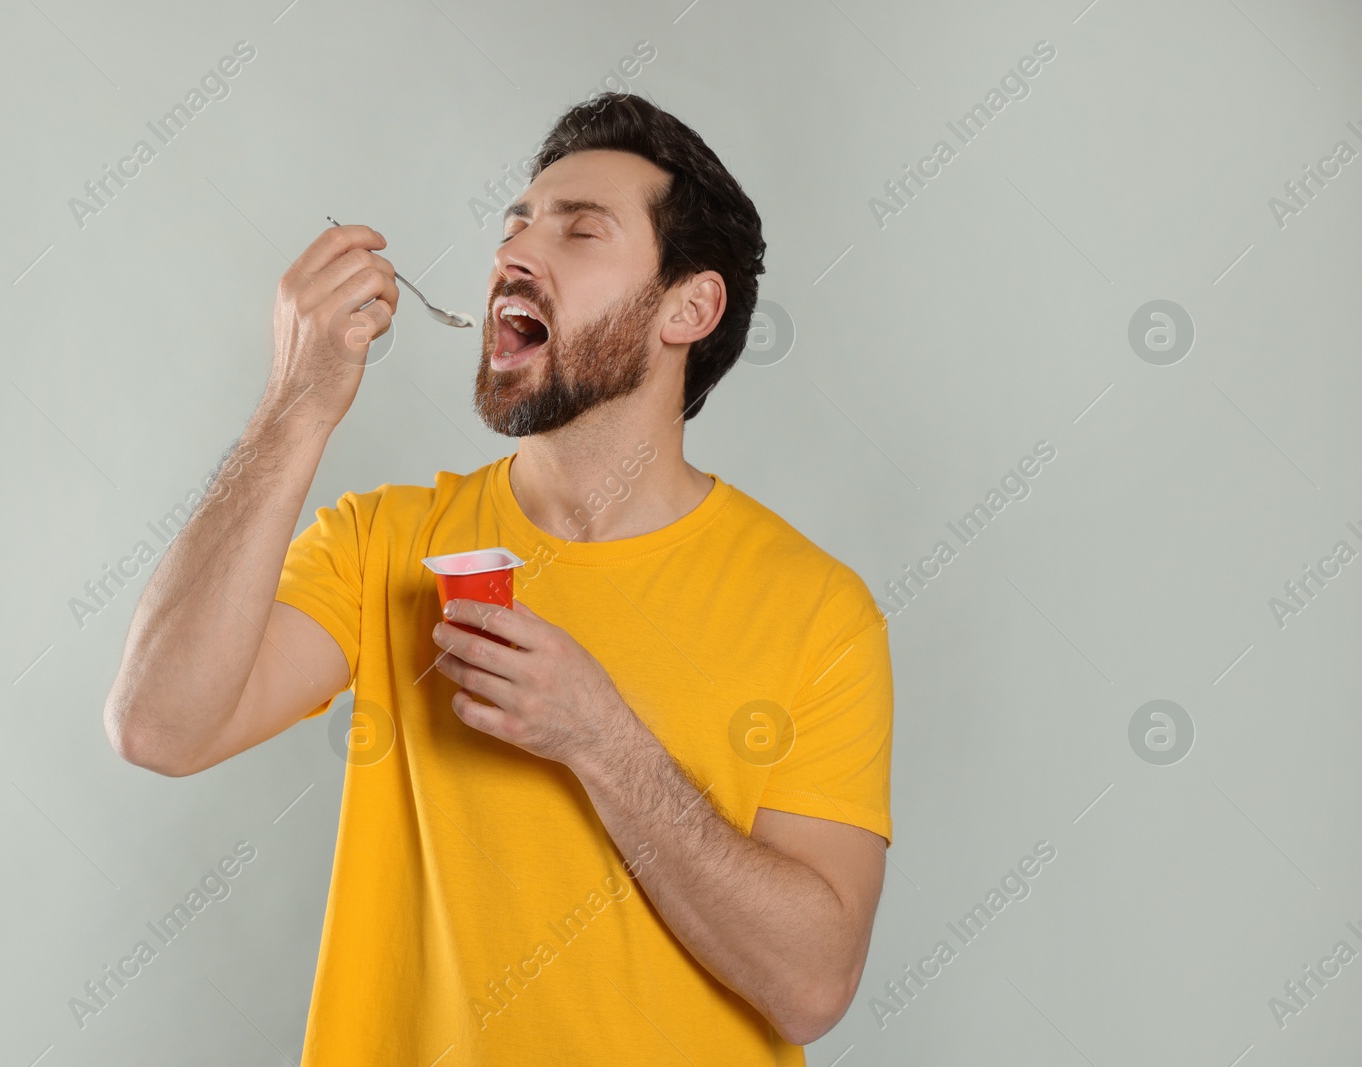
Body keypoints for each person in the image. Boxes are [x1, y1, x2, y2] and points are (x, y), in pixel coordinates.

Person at [104, 91, 894, 1064]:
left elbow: (813, 985)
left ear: (688, 305)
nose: (514, 253)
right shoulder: (384, 543)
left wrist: (599, 737)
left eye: (580, 229)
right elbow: (158, 725)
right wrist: (295, 407)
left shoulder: (815, 607)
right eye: (514, 224)